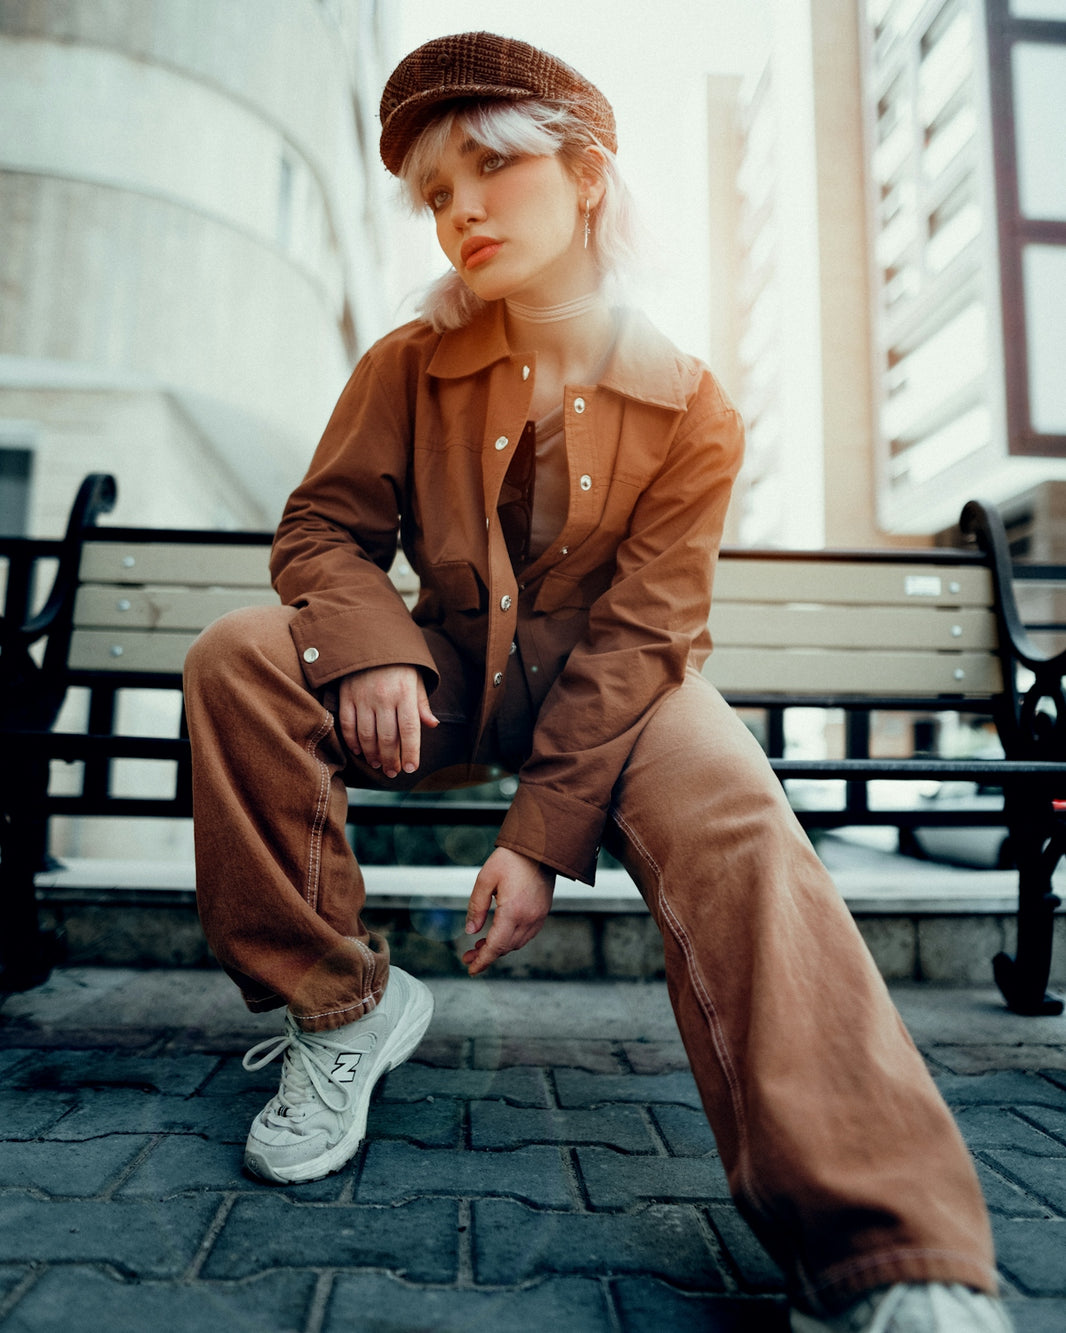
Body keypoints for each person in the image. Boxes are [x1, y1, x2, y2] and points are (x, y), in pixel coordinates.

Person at [183, 31, 1012, 1332]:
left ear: (582, 178)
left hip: (621, 693)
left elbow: (642, 635)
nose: (457, 210)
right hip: (447, 668)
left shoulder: (692, 406)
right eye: (434, 193)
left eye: (485, 171)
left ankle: (889, 1251)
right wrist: (370, 645)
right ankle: (341, 1004)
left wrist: (537, 837)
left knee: (736, 810)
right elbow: (321, 535)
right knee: (239, 654)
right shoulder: (405, 363)